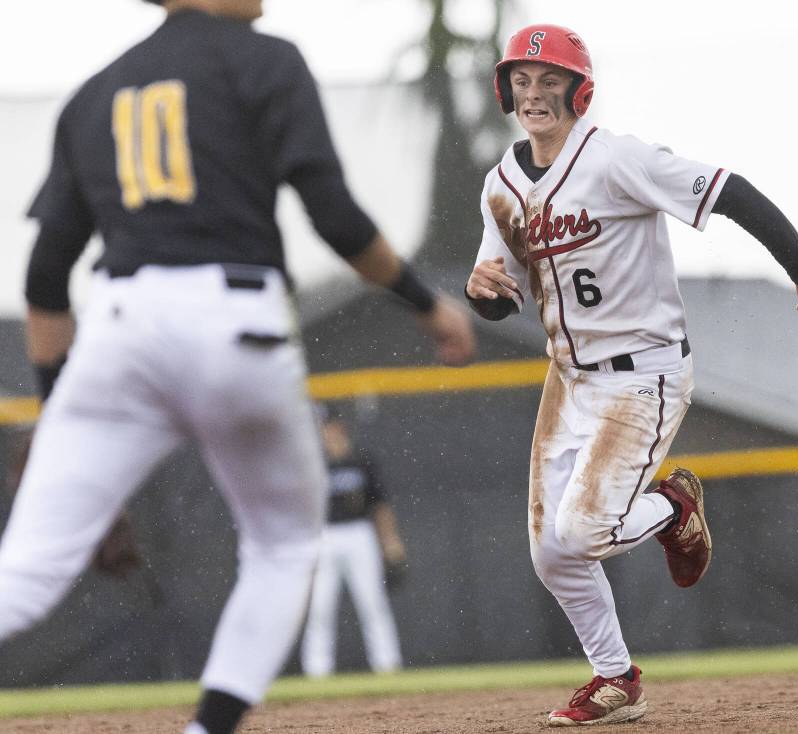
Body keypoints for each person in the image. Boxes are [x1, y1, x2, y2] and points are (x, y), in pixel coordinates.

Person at [0, 1, 475, 733]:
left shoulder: (96, 93)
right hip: (235, 324)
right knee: (285, 543)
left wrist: (62, 415)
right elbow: (334, 214)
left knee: (24, 575)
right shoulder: (267, 60)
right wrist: (424, 302)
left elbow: (44, 280)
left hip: (119, 328)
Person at [465, 24, 798, 727]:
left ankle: (674, 506)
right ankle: (617, 681)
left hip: (642, 372)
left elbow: (728, 190)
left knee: (580, 534)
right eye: (521, 79)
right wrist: (482, 292)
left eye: (548, 78)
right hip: (569, 378)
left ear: (577, 88)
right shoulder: (501, 184)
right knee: (552, 554)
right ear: (504, 90)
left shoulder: (616, 159)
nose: (534, 93)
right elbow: (500, 298)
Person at [301, 414, 406, 676]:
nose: (328, 435)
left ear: (341, 429)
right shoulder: (315, 465)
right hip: (325, 535)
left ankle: (387, 665)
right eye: (324, 430)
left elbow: (379, 505)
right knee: (320, 606)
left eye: (331, 429)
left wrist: (390, 540)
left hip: (359, 533)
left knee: (371, 601)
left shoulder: (361, 461)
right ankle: (317, 671)